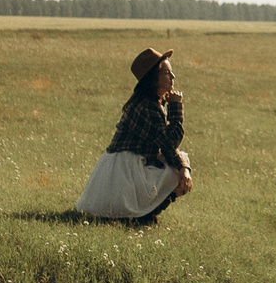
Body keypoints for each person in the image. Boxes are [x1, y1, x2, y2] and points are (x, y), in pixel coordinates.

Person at [75, 46, 193, 221]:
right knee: (174, 173)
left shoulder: (151, 103)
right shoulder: (146, 107)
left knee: (179, 165)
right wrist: (176, 108)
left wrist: (185, 167)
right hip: (124, 172)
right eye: (167, 73)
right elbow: (169, 144)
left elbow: (169, 149)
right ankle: (143, 217)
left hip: (131, 166)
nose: (173, 77)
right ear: (154, 79)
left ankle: (144, 215)